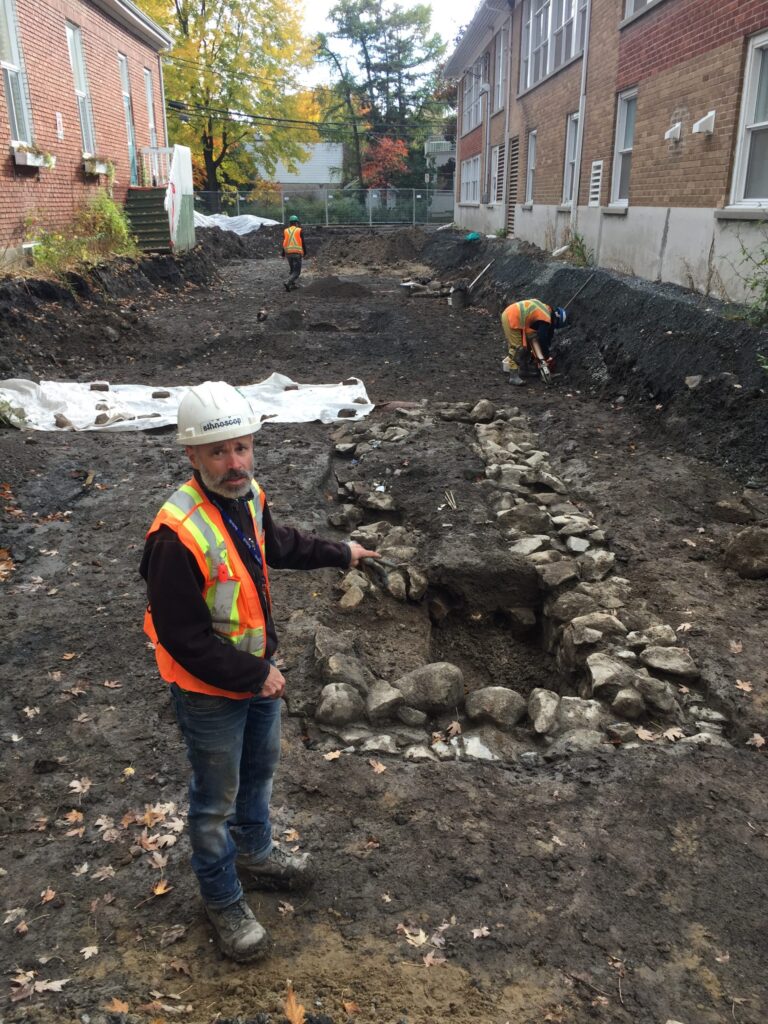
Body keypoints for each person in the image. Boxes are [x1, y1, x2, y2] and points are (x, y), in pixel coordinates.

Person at [140, 381, 379, 963]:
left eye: (242, 448)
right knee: (214, 799)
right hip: (208, 691)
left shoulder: (248, 497)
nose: (234, 462)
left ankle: (257, 853)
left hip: (254, 673)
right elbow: (183, 637)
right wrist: (253, 676)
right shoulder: (175, 537)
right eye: (219, 452)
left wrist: (339, 552)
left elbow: (276, 545)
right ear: (192, 456)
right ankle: (222, 897)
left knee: (259, 773)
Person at [500, 299, 567, 385]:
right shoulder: (546, 317)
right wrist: (545, 357)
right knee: (517, 348)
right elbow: (543, 339)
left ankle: (524, 369)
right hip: (512, 317)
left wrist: (540, 356)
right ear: (556, 320)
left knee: (527, 345)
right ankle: (513, 376)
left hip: (519, 318)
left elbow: (535, 337)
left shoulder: (543, 310)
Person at [282, 214, 306, 291]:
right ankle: (288, 282)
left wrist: (283, 253)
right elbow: (303, 242)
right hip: (297, 253)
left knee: (292, 270)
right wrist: (305, 252)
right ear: (296, 223)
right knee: (297, 272)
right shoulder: (299, 230)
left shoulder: (286, 231)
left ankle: (293, 285)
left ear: (290, 223)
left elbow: (284, 242)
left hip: (288, 253)